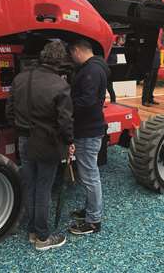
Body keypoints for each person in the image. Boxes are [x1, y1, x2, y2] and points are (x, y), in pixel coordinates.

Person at [6, 41, 75, 251]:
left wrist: (20, 129)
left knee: (30, 184)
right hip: (47, 141)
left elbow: (9, 110)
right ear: (60, 61)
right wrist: (70, 142)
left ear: (43, 56)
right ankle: (43, 238)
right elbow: (65, 122)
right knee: (44, 188)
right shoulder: (59, 85)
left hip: (24, 139)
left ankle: (33, 231)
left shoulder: (21, 78)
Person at [68, 39, 109, 235]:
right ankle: (91, 211)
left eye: (71, 54)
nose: (71, 59)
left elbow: (87, 101)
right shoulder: (96, 67)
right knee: (88, 174)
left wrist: (66, 106)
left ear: (77, 50)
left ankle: (93, 221)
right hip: (91, 128)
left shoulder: (91, 71)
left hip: (88, 130)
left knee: (89, 176)